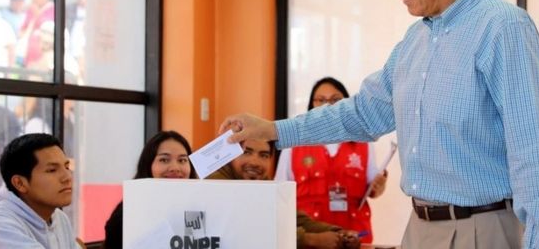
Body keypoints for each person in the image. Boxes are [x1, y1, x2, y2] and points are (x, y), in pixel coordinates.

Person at [219, 0, 539, 249]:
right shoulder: (415, 40)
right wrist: (273, 130)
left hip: (481, 231)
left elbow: (538, 156)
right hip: (418, 229)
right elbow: (361, 113)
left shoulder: (503, 29)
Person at [275, 77, 387, 243]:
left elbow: (373, 190)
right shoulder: (294, 143)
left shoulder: (364, 142)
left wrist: (379, 186)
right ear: (311, 105)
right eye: (320, 100)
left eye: (335, 99)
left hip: (354, 238)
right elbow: (280, 196)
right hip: (311, 240)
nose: (328, 105)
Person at [208, 139, 360, 249]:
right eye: (247, 152)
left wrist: (339, 233)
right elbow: (247, 230)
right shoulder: (215, 183)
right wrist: (310, 239)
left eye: (264, 155)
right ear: (230, 154)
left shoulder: (262, 182)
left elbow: (293, 218)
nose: (255, 162)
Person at [0, 133, 81, 248]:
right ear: (19, 183)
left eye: (66, 167)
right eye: (52, 170)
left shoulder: (59, 217)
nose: (67, 177)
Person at [102, 131, 197, 249]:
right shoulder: (127, 213)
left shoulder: (200, 204)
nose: (175, 168)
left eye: (182, 160)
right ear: (148, 164)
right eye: (164, 160)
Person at [17, 0, 54, 67]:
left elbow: (47, 26)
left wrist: (37, 13)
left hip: (43, 56)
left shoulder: (53, 9)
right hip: (27, 53)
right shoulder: (30, 10)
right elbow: (23, 27)